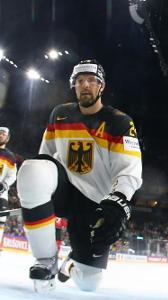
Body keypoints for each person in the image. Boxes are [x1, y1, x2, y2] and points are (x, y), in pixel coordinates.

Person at [16, 59, 142, 292]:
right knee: (32, 170)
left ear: (101, 86)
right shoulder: (60, 114)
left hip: (95, 205)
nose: (86, 85)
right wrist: (36, 198)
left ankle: (71, 264)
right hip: (65, 192)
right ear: (73, 85)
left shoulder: (120, 121)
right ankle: (45, 261)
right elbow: (45, 158)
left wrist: (119, 199)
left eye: (92, 81)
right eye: (80, 81)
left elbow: (129, 169)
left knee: (88, 283)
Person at [0, 127, 17, 248]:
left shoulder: (10, 156)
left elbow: (12, 175)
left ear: (8, 138)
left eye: (3, 134)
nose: (1, 135)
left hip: (1, 193)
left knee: (1, 220)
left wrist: (4, 185)